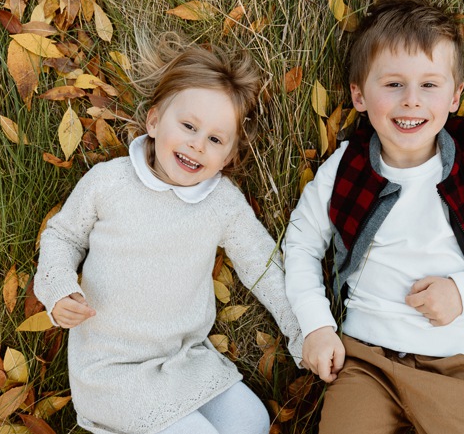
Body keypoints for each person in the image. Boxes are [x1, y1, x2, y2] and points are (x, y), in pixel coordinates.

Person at [284, 0, 464, 434]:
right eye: (393, 84)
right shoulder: (347, 165)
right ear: (358, 94)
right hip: (364, 359)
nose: (411, 100)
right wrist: (316, 325)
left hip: (454, 363)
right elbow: (299, 244)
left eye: (429, 85)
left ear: (454, 96)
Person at [34, 35, 303, 434]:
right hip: (111, 369)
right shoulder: (110, 182)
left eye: (214, 139)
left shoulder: (222, 203)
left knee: (252, 421)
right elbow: (63, 236)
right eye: (189, 126)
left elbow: (262, 266)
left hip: (183, 359)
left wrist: (302, 332)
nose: (197, 145)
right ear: (155, 121)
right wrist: (56, 289)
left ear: (227, 157)